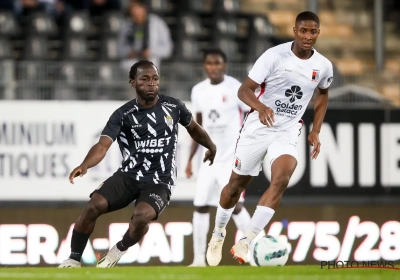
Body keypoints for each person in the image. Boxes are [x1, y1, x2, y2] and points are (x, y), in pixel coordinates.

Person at [58, 59, 217, 268]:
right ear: (132, 82)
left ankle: (118, 251)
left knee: (141, 217)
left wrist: (211, 146)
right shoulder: (123, 114)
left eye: (155, 79)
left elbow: (194, 128)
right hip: (129, 176)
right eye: (144, 79)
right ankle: (73, 260)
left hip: (160, 180)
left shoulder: (173, 107)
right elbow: (103, 145)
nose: (151, 84)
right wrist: (85, 165)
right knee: (93, 206)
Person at [206, 11, 334, 266]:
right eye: (304, 31)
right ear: (295, 31)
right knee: (234, 188)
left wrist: (316, 129)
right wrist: (261, 107)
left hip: (287, 129)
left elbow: (323, 94)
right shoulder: (274, 56)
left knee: (283, 178)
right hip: (258, 126)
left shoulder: (323, 66)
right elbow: (244, 90)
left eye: (313, 31)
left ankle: (246, 241)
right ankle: (218, 234)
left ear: (318, 33)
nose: (308, 36)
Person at [185, 49, 257, 267]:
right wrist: (190, 159)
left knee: (235, 207)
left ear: (224, 66)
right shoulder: (198, 91)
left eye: (217, 63)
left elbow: (251, 115)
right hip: (209, 159)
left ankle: (255, 254)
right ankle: (198, 260)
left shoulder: (235, 87)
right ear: (205, 66)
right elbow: (196, 127)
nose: (213, 67)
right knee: (200, 206)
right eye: (209, 63)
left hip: (231, 159)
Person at [118, 0, 173, 71]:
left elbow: (168, 49)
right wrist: (129, 52)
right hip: (131, 65)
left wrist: (151, 52)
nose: (135, 14)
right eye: (132, 11)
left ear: (144, 9)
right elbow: (119, 49)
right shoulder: (127, 26)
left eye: (137, 10)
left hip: (153, 64)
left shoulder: (157, 24)